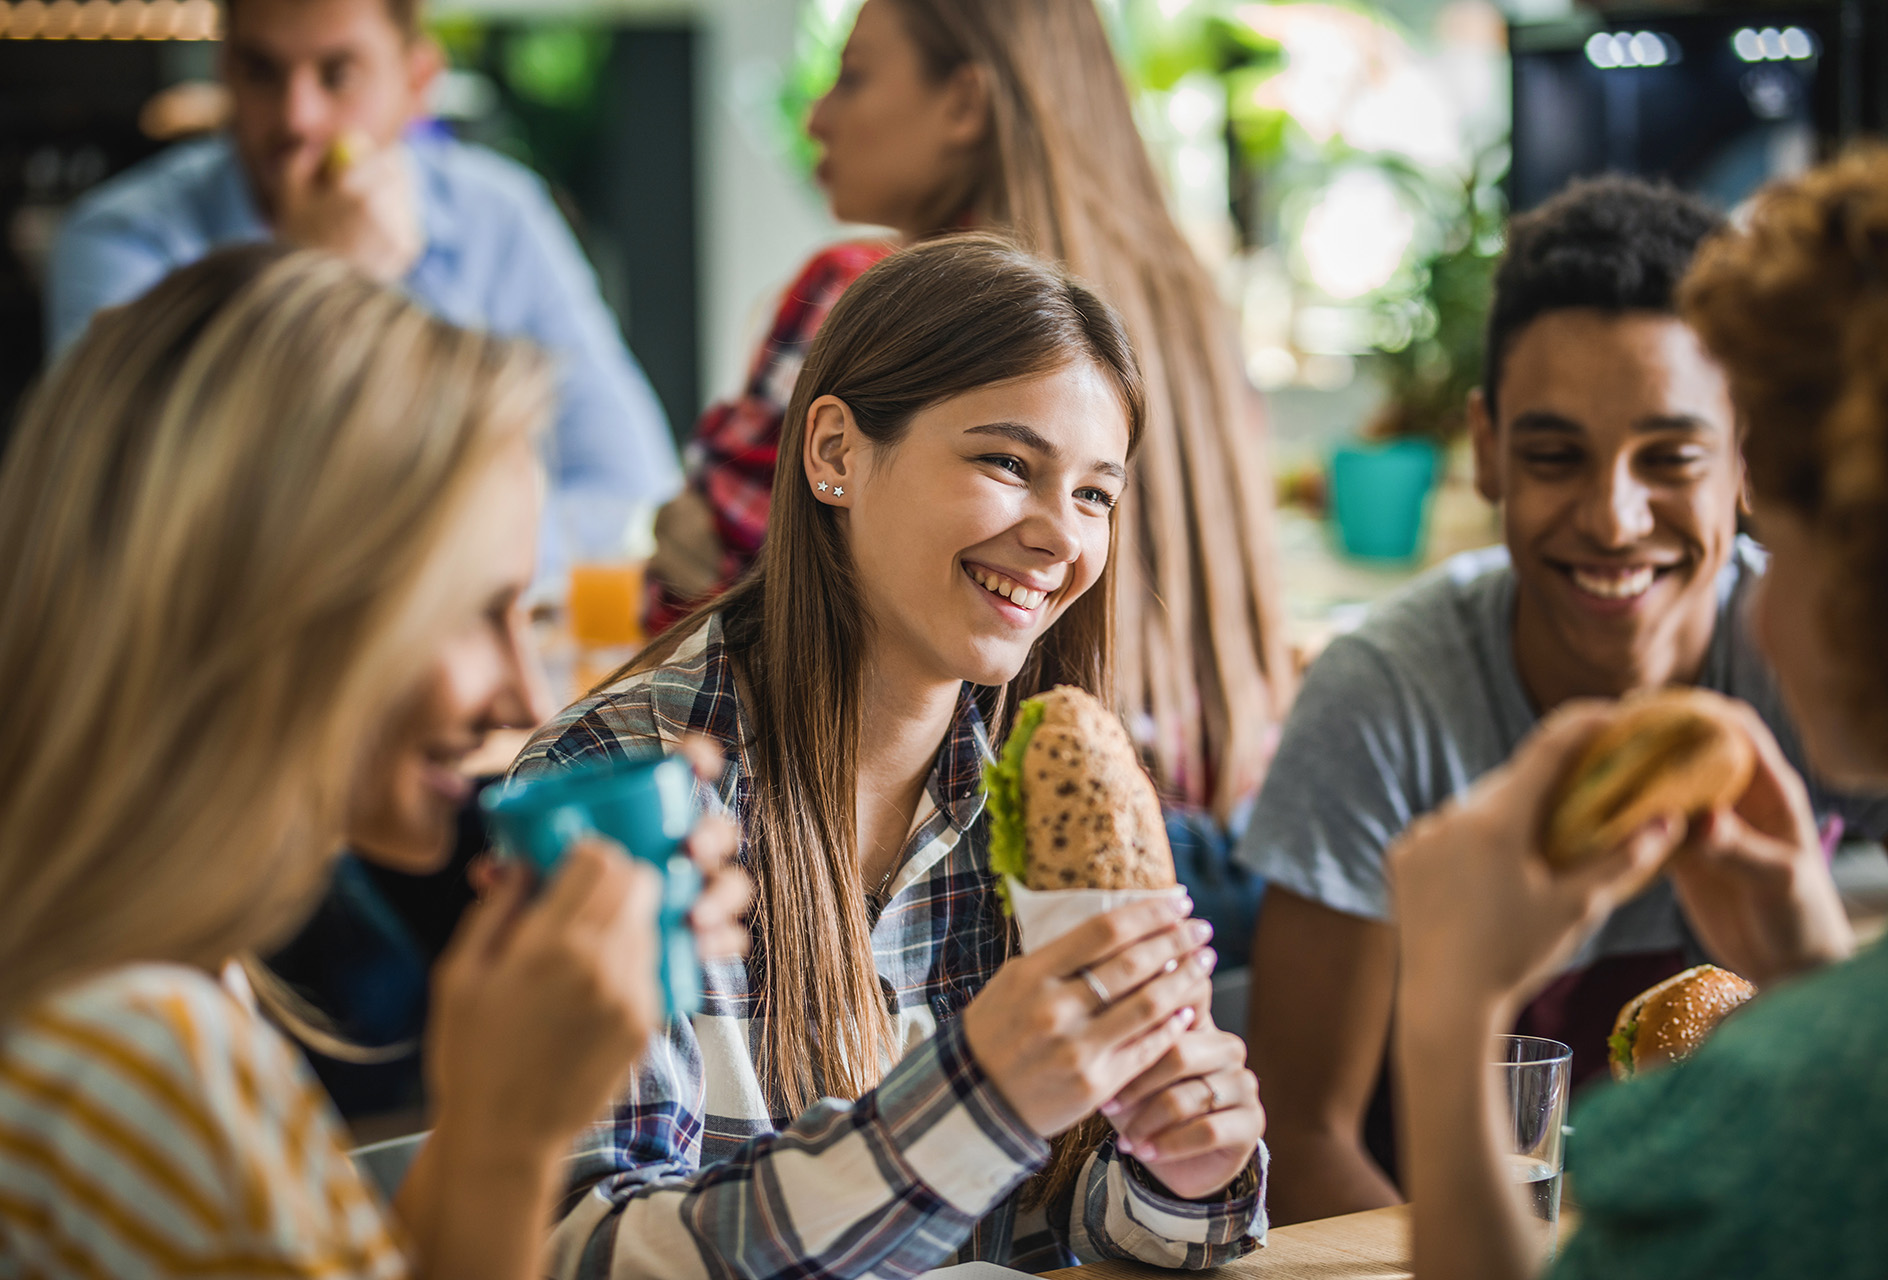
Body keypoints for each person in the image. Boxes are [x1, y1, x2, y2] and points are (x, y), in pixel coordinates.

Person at [0, 245, 747, 1278]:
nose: (524, 694)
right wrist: (512, 1135)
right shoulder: (142, 1060)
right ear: (274, 596)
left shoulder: (170, 983)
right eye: (478, 610)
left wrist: (498, 1102)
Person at [514, 235, 1268, 1279]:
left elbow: (1105, 1233)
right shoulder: (615, 786)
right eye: (1008, 462)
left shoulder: (1052, 790)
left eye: (1096, 492)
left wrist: (1182, 1170)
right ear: (833, 452)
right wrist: (975, 1102)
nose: (1061, 536)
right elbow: (584, 1252)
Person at [1238, 175, 1888, 1224]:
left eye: (1670, 455)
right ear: (1486, 446)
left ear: (1748, 457)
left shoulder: (1826, 647)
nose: (1615, 517)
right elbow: (1301, 1133)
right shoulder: (1387, 696)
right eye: (1554, 456)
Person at [646, 0, 1292, 959]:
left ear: (964, 102)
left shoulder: (865, 293)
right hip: (1220, 863)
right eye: (1005, 462)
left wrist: (678, 529)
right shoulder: (1190, 302)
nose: (818, 116)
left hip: (1012, 851)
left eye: (854, 75)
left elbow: (752, 606)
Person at [45, 0, 680, 591]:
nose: (298, 117)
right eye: (261, 70)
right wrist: (315, 282)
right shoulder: (120, 239)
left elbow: (629, 494)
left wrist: (404, 574)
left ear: (417, 80)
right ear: (225, 70)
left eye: (338, 74)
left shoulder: (501, 217)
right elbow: (122, 524)